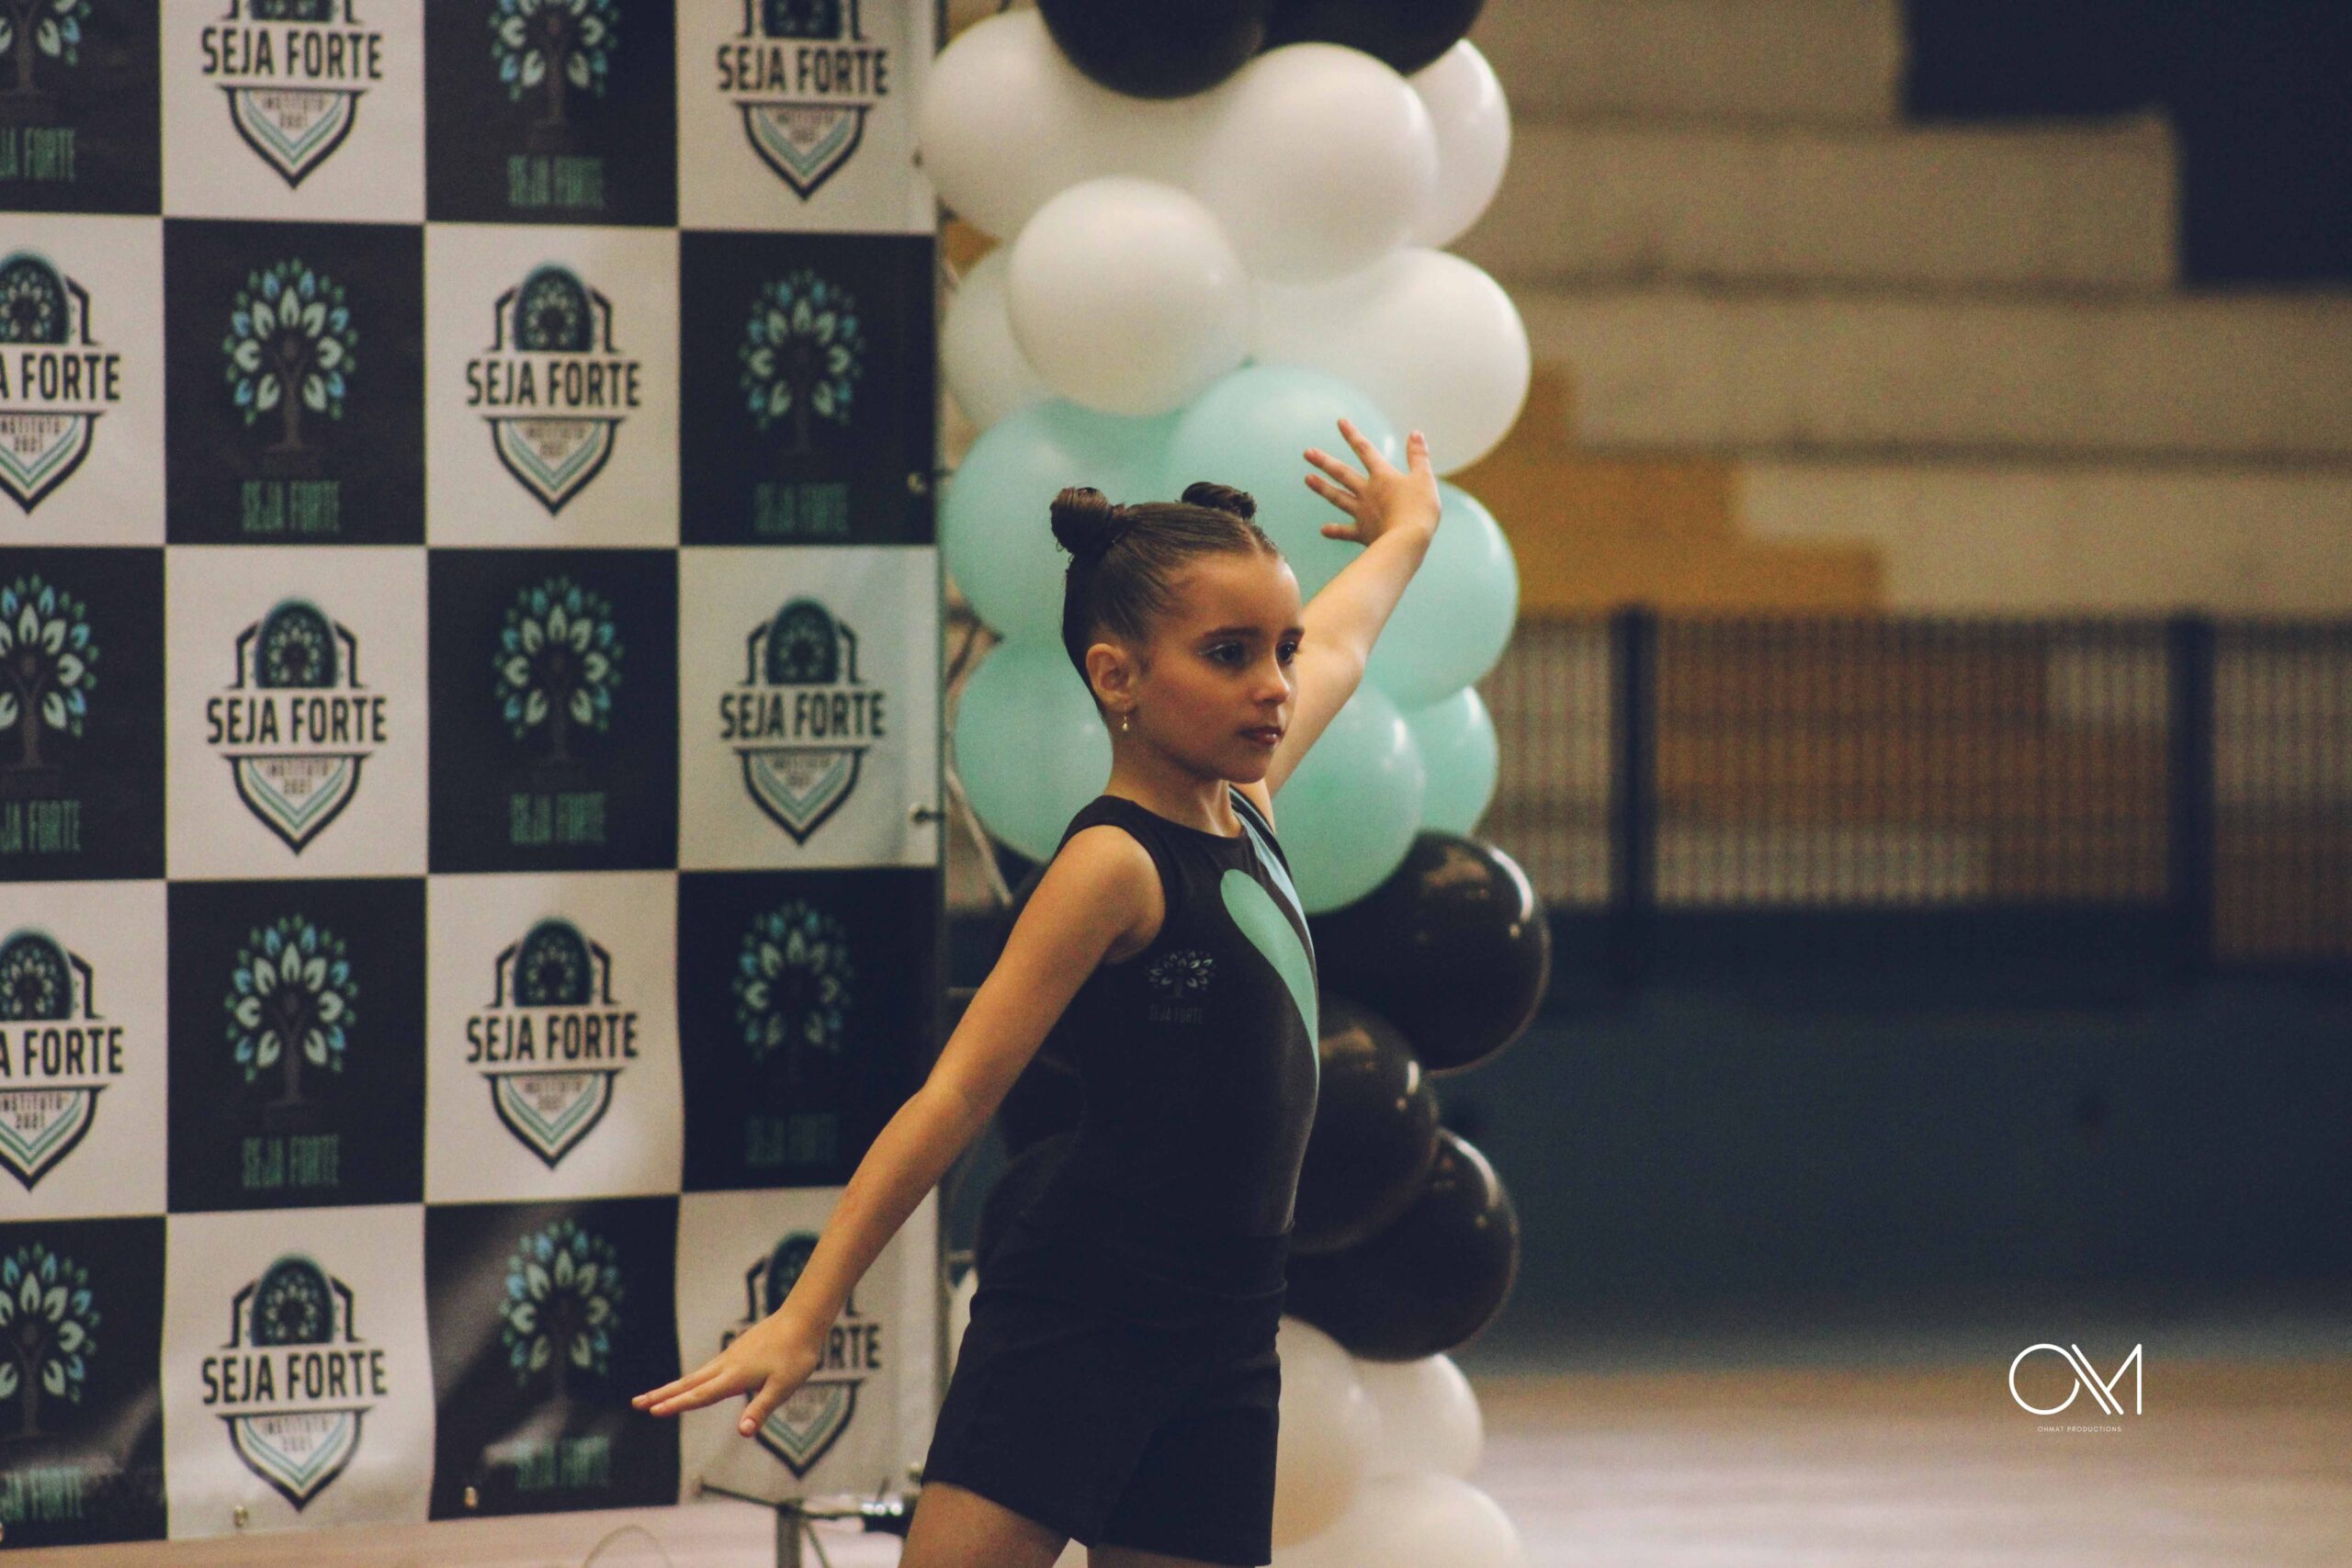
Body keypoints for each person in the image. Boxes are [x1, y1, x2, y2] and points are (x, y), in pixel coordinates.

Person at [635, 416, 1442, 1568]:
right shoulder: (1111, 866)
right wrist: (807, 1313)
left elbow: (1349, 640)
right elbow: (954, 1098)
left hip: (1227, 1325)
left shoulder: (1249, 810)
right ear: (1118, 676)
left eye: (1281, 649)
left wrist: (1408, 526)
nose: (1273, 686)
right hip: (1083, 1312)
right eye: (1229, 654)